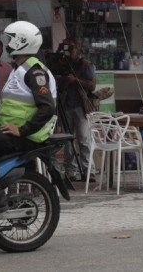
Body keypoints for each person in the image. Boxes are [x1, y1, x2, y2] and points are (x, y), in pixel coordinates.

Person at [0, 21, 57, 223]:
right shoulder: (20, 68)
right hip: (14, 131)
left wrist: (23, 129)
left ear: (22, 41)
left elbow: (48, 107)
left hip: (29, 135)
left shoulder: (34, 72)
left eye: (10, 39)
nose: (8, 43)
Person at [51, 38, 96, 182]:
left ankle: (89, 170)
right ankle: (71, 170)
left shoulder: (84, 65)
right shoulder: (62, 64)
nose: (69, 51)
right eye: (66, 48)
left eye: (71, 48)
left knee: (83, 138)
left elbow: (92, 85)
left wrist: (75, 80)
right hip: (66, 105)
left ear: (77, 49)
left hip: (80, 106)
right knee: (67, 140)